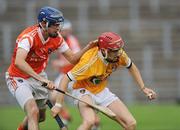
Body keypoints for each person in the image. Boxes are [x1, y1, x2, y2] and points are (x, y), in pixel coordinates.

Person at [5, 6, 97, 130]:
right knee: (33, 111)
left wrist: (88, 47)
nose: (58, 27)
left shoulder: (57, 38)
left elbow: (72, 59)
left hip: (38, 76)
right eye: (55, 24)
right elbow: (19, 62)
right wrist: (41, 79)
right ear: (43, 23)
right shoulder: (28, 37)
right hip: (17, 77)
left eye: (59, 24)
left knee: (40, 117)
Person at [51, 32, 157, 130]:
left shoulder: (120, 55)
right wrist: (58, 105)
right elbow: (65, 79)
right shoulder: (89, 62)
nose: (119, 53)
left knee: (131, 124)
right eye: (114, 51)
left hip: (101, 91)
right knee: (89, 122)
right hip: (83, 91)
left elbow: (131, 66)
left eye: (119, 49)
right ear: (104, 51)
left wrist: (143, 88)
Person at [51, 19, 100, 129]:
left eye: (67, 30)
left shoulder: (72, 41)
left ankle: (95, 121)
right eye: (63, 30)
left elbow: (76, 59)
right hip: (64, 74)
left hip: (74, 75)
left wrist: (60, 63)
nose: (65, 32)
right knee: (54, 96)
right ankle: (66, 116)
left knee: (82, 101)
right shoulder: (59, 39)